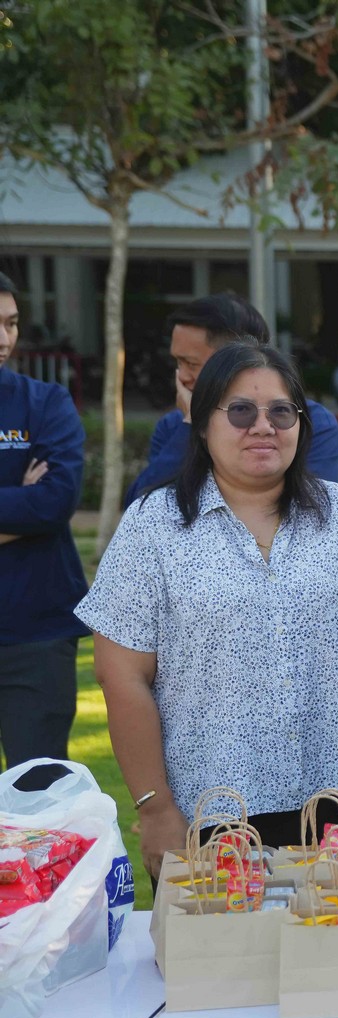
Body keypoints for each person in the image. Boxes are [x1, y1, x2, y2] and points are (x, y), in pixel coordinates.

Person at [77, 342, 338, 877]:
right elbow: (121, 676)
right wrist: (155, 808)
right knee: (219, 937)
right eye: (240, 411)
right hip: (209, 810)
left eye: (281, 411)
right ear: (202, 424)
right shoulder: (153, 527)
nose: (263, 426)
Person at [122, 294, 338, 508]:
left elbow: (315, 510)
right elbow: (141, 509)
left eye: (191, 364)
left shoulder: (312, 423)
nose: (181, 377)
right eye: (178, 363)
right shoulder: (174, 426)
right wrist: (191, 422)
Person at [0, 271, 88, 775]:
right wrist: (20, 499)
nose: (4, 338)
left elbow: (54, 502)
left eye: (11, 323)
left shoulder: (46, 403)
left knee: (40, 796)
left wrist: (37, 504)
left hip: (36, 633)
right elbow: (34, 507)